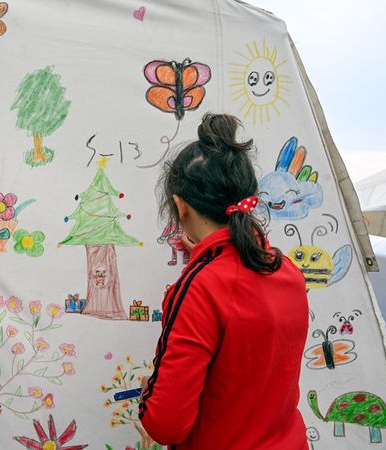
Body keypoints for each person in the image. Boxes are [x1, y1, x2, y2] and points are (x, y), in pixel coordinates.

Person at [138, 113, 309, 449]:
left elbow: (166, 424)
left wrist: (149, 396)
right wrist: (203, 258)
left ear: (179, 206)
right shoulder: (286, 271)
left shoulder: (201, 287)